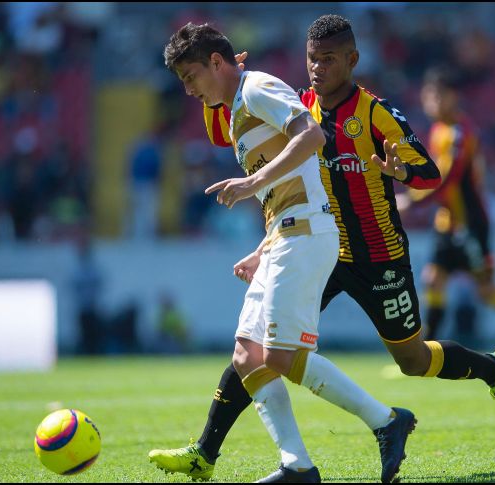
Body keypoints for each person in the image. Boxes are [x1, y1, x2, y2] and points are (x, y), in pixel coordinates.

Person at [149, 15, 495, 482]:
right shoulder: (297, 103)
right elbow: (262, 155)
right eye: (311, 60)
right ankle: (210, 453)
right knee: (257, 346)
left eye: (327, 60)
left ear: (352, 61)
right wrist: (265, 245)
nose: (316, 69)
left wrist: (398, 172)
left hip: (377, 252)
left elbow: (429, 174)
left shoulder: (373, 113)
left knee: (412, 360)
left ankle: (494, 369)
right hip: (320, 245)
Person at [154, 22, 416, 484]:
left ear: (217, 62)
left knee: (280, 356)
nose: (189, 89)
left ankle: (388, 421)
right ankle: (296, 465)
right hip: (285, 234)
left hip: (308, 234)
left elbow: (312, 136)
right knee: (246, 356)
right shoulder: (238, 109)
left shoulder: (255, 88)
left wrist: (251, 183)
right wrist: (263, 245)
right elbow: (289, 184)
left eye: (191, 75)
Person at [394, 66, 495, 381]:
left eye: (436, 96)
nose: (430, 102)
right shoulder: (439, 130)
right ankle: (423, 354)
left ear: (452, 96)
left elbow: (448, 180)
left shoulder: (460, 133)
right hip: (448, 222)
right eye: (427, 96)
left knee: (486, 290)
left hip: (470, 224)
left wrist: (412, 201)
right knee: (433, 280)